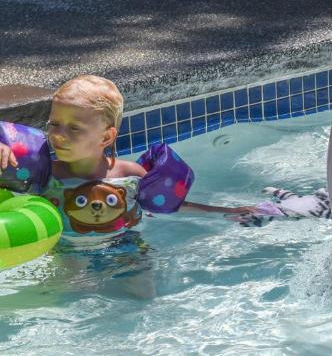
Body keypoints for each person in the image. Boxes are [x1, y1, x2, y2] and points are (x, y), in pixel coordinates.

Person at [0, 75, 252, 245]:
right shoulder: (46, 176)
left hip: (125, 248)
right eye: (54, 124)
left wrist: (225, 212)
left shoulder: (130, 174)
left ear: (106, 136)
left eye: (74, 128)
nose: (58, 135)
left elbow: (169, 206)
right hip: (69, 253)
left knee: (142, 295)